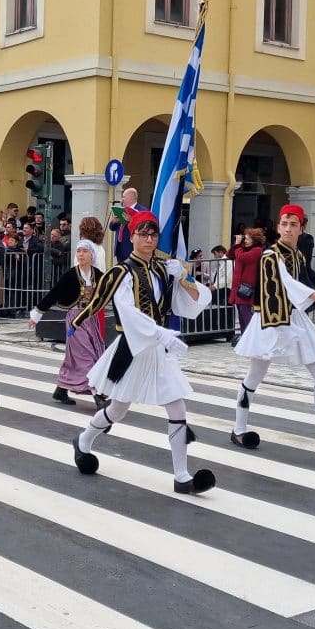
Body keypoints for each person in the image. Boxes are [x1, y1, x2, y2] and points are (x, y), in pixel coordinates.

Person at [69, 211, 216, 495]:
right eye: (143, 234)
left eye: (153, 235)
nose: (149, 240)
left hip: (157, 351)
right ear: (132, 237)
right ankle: (84, 440)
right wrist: (161, 333)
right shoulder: (122, 273)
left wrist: (184, 277)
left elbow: (189, 304)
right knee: (118, 409)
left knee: (177, 407)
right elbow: (128, 313)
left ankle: (182, 476)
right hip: (133, 347)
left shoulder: (162, 270)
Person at [231, 205, 315, 452]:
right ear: (278, 227)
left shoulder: (297, 255)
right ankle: (239, 429)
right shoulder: (271, 254)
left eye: (293, 225)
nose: (288, 229)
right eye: (284, 224)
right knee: (254, 376)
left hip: (292, 318)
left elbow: (304, 277)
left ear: (301, 228)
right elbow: (286, 282)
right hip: (269, 321)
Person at [29, 239, 107, 408]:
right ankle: (97, 394)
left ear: (92, 254)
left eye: (85, 251)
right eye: (78, 251)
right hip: (74, 320)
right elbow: (54, 293)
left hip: (91, 318)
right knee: (85, 354)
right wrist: (37, 313)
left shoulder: (98, 274)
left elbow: (110, 292)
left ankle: (61, 389)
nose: (81, 254)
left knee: (89, 354)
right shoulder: (71, 274)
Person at [229, 227, 265, 343]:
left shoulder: (257, 250)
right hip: (239, 287)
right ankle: (246, 338)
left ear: (254, 240)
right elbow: (230, 254)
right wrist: (236, 244)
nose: (245, 240)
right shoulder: (243, 249)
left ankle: (253, 338)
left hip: (247, 288)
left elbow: (242, 257)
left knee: (246, 313)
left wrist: (238, 246)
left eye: (248, 238)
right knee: (240, 313)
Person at [108, 187, 147, 263]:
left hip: (132, 249)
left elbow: (144, 229)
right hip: (119, 249)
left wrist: (131, 220)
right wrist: (113, 221)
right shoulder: (121, 210)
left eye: (124, 197)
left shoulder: (142, 211)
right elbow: (112, 228)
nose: (122, 199)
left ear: (132, 197)